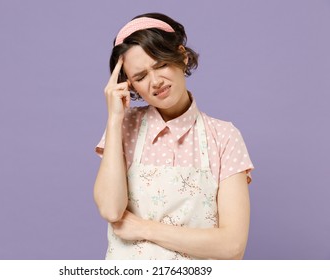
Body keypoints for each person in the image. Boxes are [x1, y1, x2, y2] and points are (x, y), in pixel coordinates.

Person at [94, 13, 254, 260]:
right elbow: (111, 209)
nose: (155, 81)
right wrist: (114, 119)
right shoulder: (124, 128)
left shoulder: (224, 137)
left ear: (181, 55)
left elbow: (232, 246)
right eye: (140, 77)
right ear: (129, 85)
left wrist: (143, 228)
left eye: (160, 65)